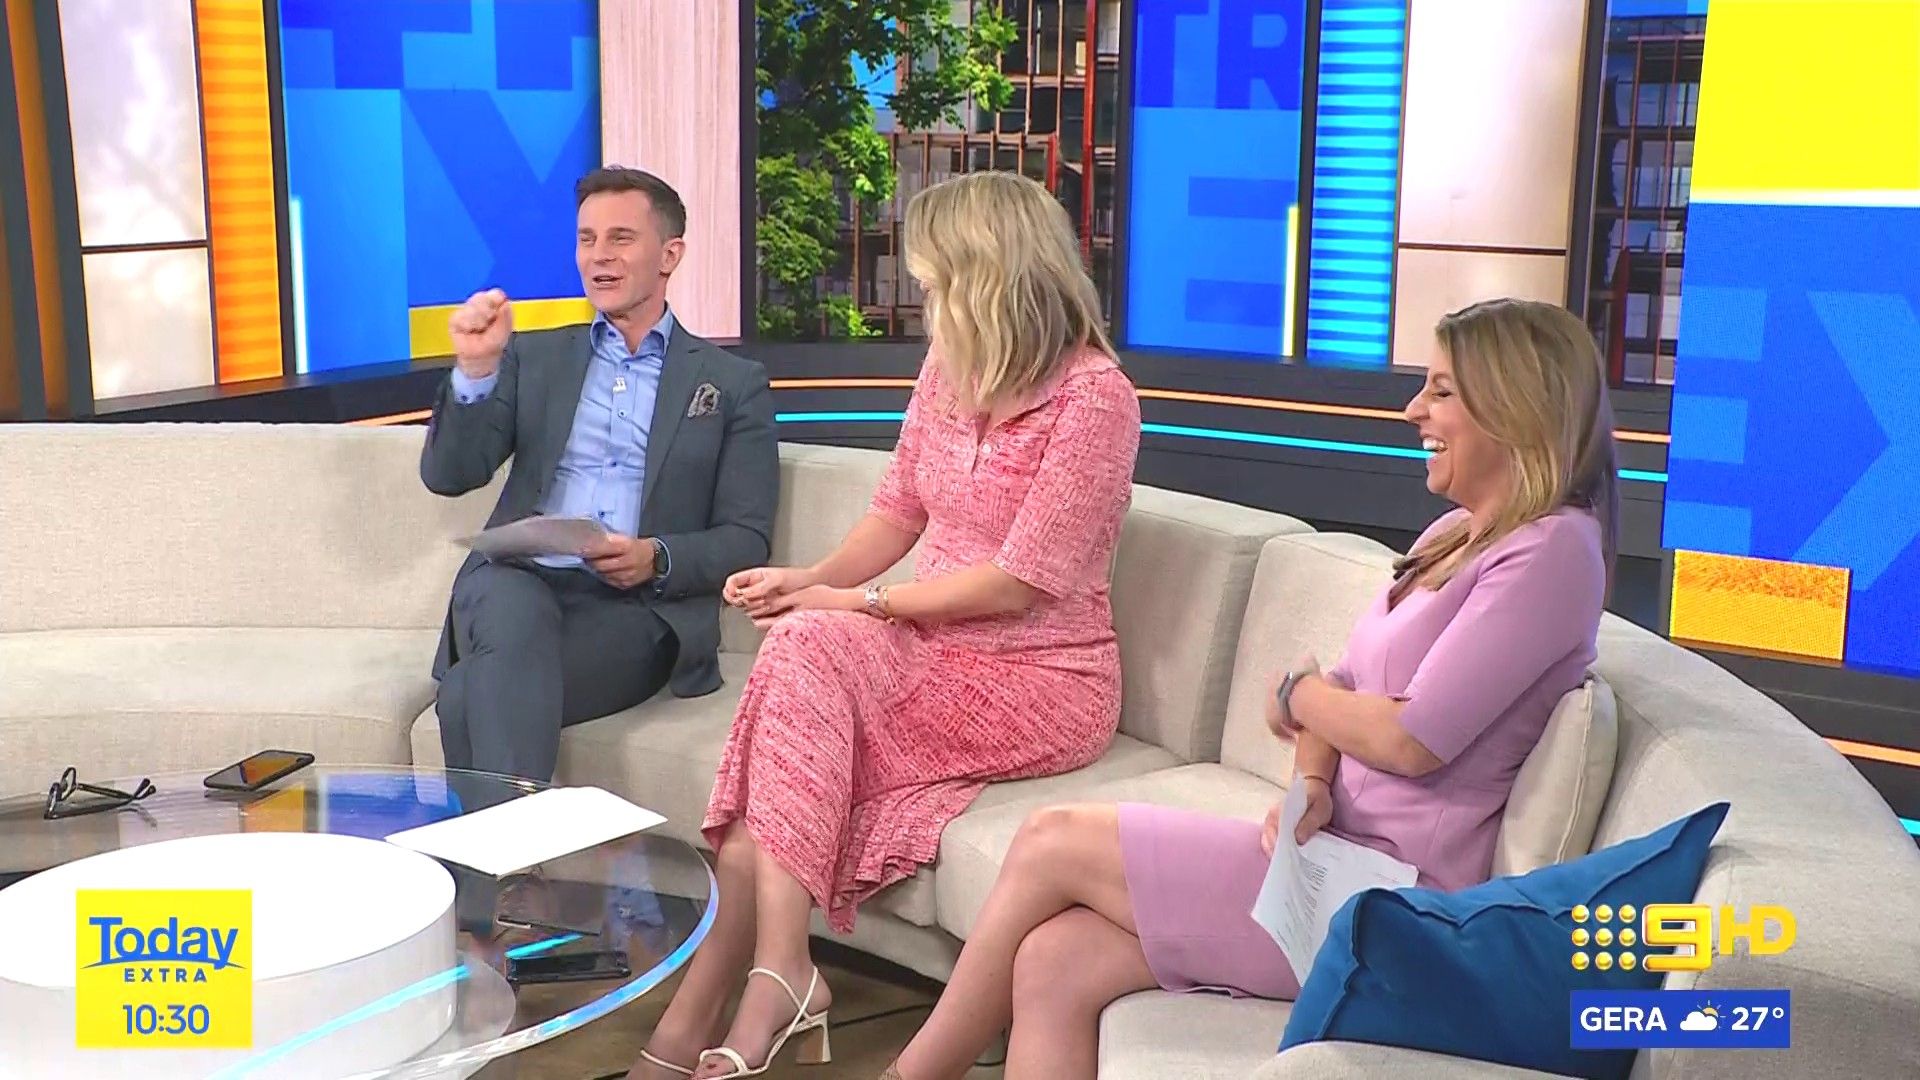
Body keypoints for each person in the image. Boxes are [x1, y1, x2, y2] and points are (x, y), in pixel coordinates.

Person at [886, 298, 1620, 1079]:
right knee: (1056, 960)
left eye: (1441, 391)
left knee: (1050, 840)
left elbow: (1409, 738)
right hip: (1329, 853)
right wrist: (1314, 781)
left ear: (1514, 406)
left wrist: (1300, 696)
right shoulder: (1453, 535)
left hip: (1396, 901)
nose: (1414, 410)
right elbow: (1348, 685)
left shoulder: (1555, 552)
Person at [627, 171, 1142, 1079]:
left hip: (1041, 679)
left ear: (990, 277)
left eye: (938, 282)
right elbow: (899, 511)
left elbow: (1019, 583)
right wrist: (808, 581)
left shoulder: (1095, 398)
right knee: (794, 689)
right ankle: (763, 986)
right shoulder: (949, 369)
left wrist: (858, 605)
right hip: (927, 652)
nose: (926, 301)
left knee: (805, 672)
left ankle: (746, 996)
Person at [421, 167, 778, 783]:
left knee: (465, 696)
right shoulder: (534, 356)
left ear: (670, 255)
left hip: (633, 611)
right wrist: (475, 371)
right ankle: (522, 849)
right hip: (516, 579)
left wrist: (655, 557)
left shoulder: (730, 382)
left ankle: (496, 848)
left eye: (620, 238)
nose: (599, 256)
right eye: (587, 239)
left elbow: (746, 537)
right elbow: (449, 474)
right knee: (512, 615)